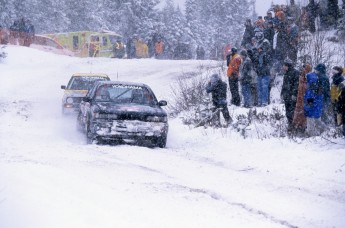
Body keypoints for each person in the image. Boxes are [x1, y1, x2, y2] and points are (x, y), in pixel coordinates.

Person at [304, 71, 327, 136]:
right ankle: (325, 131)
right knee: (318, 120)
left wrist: (307, 107)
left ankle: (312, 135)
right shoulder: (318, 86)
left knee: (310, 120)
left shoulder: (311, 87)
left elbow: (309, 98)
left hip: (312, 108)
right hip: (318, 107)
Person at [292, 61, 312, 134]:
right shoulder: (301, 77)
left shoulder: (310, 78)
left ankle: (303, 128)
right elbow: (298, 88)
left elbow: (309, 89)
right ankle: (297, 128)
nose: (303, 70)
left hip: (306, 99)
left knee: (304, 114)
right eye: (303, 68)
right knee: (298, 114)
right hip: (299, 99)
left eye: (305, 68)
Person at [281, 58, 300, 132]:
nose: (283, 67)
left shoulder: (295, 73)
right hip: (286, 96)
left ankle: (294, 126)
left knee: (292, 111)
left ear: (287, 65)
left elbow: (296, 84)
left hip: (291, 96)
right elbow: (284, 85)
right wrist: (282, 93)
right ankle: (290, 125)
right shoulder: (286, 73)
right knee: (287, 112)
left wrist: (294, 94)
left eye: (284, 65)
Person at [330, 66, 345, 136]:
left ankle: (340, 131)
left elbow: (340, 91)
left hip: (339, 100)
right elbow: (333, 90)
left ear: (337, 72)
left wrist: (337, 99)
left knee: (339, 115)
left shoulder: (340, 79)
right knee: (336, 115)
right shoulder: (334, 78)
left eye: (333, 71)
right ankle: (338, 130)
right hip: (335, 100)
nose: (332, 72)